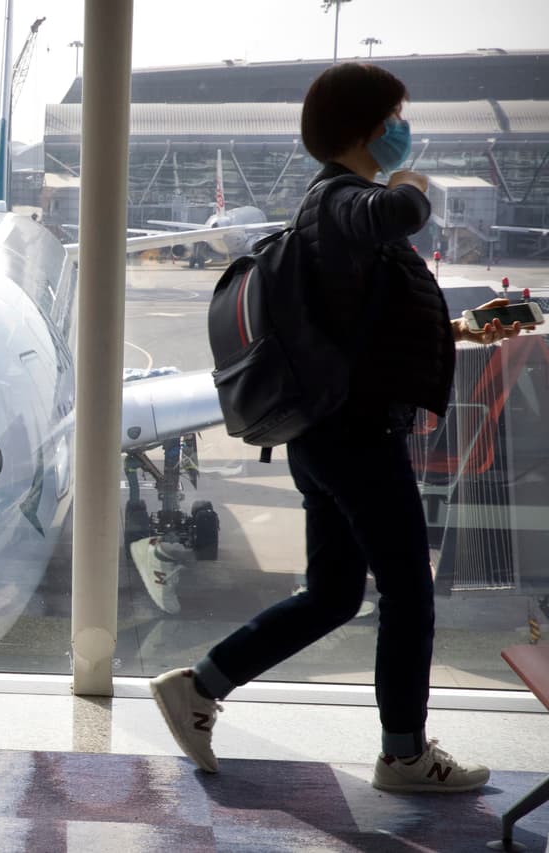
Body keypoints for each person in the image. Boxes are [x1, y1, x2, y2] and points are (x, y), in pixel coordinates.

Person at [150, 63, 529, 794]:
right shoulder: (343, 201)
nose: (405, 132)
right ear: (368, 129)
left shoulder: (331, 211)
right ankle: (405, 754)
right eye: (397, 118)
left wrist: (462, 330)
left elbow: (360, 330)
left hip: (330, 432)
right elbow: (392, 215)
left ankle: (200, 685)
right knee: (408, 592)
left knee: (333, 593)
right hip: (354, 436)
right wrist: (413, 186)